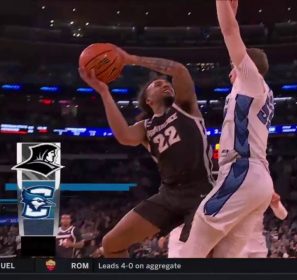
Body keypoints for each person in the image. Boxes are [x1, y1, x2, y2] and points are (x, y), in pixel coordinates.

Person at [79, 47, 213, 258]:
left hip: (202, 192)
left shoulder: (184, 106)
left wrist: (131, 59)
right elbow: (123, 136)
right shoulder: (145, 127)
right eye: (157, 84)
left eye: (165, 83)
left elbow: (178, 70)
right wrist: (104, 92)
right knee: (111, 243)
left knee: (195, 256)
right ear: (148, 100)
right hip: (169, 195)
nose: (164, 84)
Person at [180, 0, 275, 257]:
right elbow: (230, 36)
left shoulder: (251, 80)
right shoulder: (256, 90)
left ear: (245, 68)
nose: (230, 71)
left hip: (242, 171)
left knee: (193, 241)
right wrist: (230, 14)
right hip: (255, 178)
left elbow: (231, 34)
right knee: (224, 256)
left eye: (234, 67)